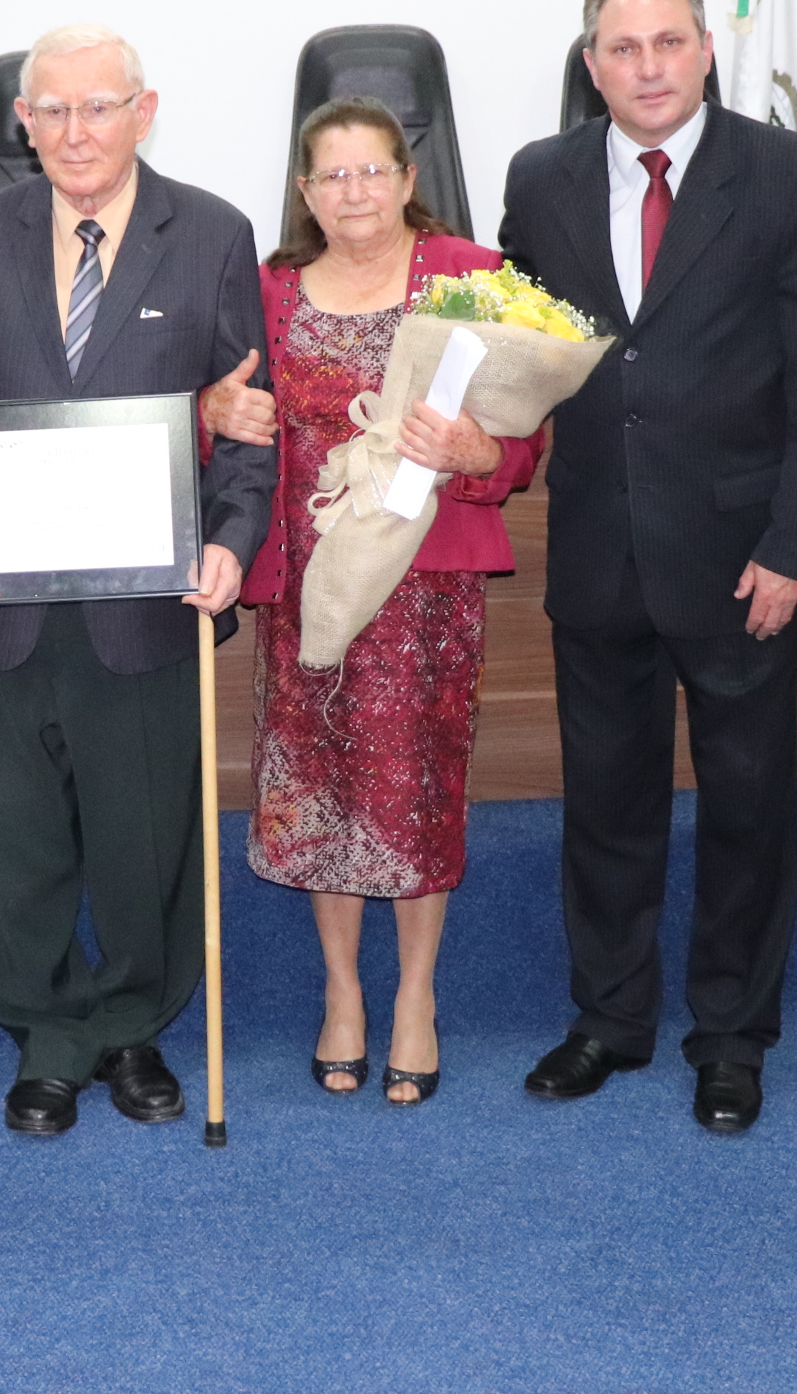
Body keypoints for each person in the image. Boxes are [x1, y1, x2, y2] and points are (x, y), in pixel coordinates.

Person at [494, 0, 797, 1136]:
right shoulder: (541, 177)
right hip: (600, 550)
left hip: (743, 557)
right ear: (591, 62)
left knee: (749, 805)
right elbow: (519, 347)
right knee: (606, 802)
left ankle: (732, 1034)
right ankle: (609, 1019)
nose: (647, 66)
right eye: (622, 46)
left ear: (706, 49)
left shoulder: (789, 175)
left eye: (668, 42)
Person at [0, 22, 273, 1137]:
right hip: (8, 605)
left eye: (98, 106)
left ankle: (131, 1029)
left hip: (145, 607)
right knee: (18, 844)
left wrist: (232, 538)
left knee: (144, 839)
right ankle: (48, 1037)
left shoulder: (210, 232)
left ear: (144, 110)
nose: (75, 131)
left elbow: (249, 423)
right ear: (21, 122)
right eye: (51, 110)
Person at [200, 99, 541, 1105]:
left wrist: (481, 453)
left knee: (415, 793)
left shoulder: (473, 276)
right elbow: (205, 406)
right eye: (330, 176)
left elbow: (526, 435)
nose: (353, 192)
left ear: (406, 176)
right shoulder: (262, 289)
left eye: (371, 171)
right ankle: (344, 993)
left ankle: (417, 999)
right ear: (305, 193)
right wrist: (214, 411)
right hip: (304, 582)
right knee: (318, 796)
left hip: (421, 589)